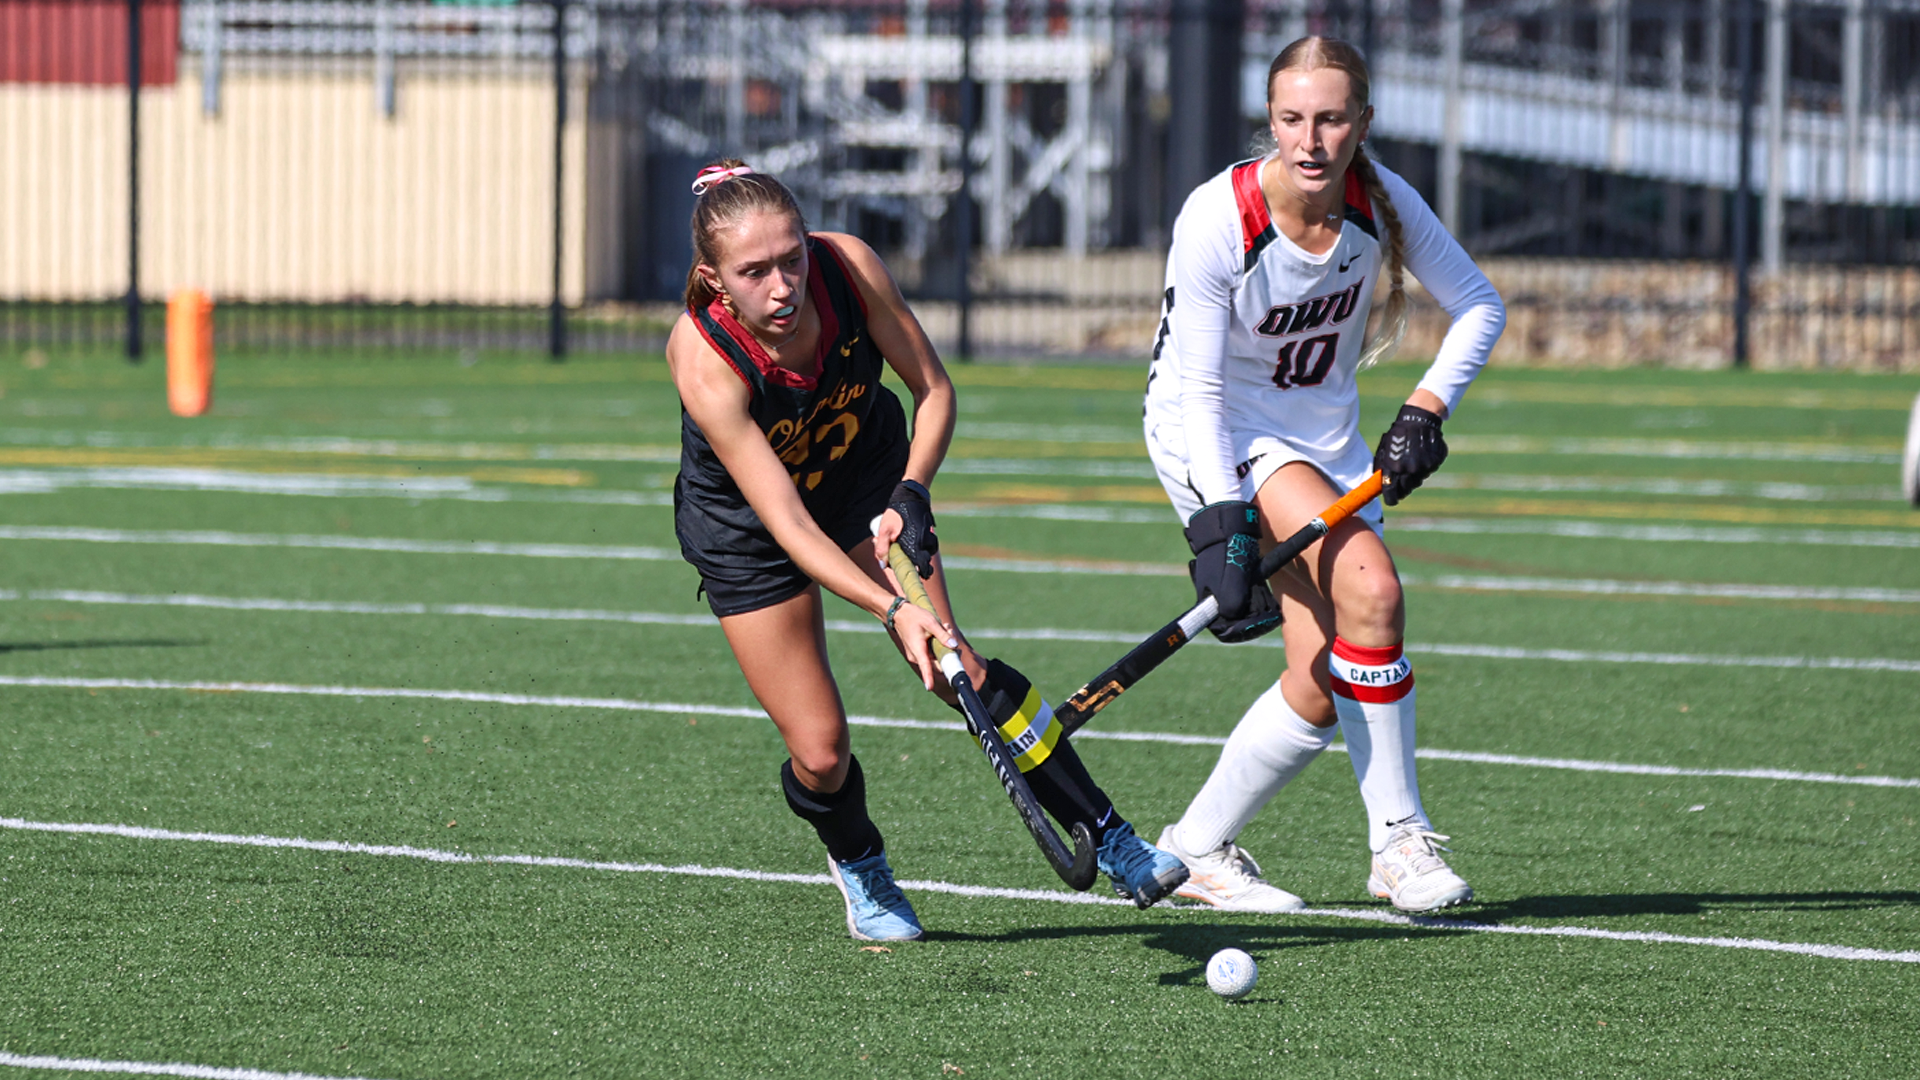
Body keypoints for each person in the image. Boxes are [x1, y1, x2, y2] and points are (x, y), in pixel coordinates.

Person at [667, 160, 1189, 941]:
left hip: (865, 477)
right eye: (755, 272)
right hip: (752, 528)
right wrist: (890, 607)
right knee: (820, 751)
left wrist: (911, 491)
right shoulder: (704, 358)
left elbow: (934, 389)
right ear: (714, 280)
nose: (784, 287)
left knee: (959, 669)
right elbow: (790, 527)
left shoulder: (847, 268)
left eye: (791, 260)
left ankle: (1114, 839)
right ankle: (862, 865)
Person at [1142, 39, 1506, 914]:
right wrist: (1217, 526)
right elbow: (1198, 389)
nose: (1312, 139)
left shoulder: (1381, 202)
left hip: (1322, 444)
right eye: (1294, 119)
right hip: (1220, 434)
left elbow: (1480, 306)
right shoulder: (1217, 218)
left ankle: (1192, 851)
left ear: (1362, 124)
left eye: (1333, 118)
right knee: (1372, 591)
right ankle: (1398, 845)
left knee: (1320, 676)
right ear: (1270, 122)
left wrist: (1425, 408)